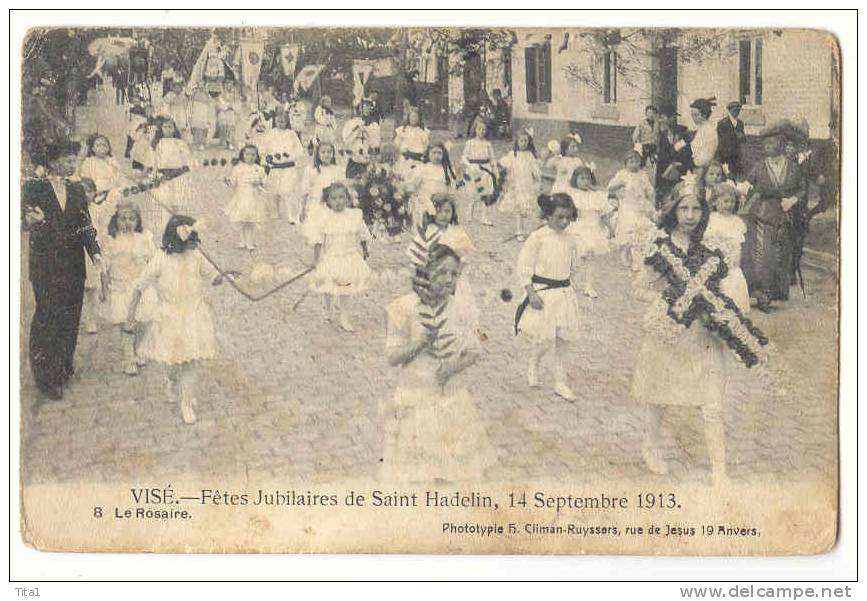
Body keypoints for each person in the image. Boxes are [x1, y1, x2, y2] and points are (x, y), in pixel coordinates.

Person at [631, 174, 768, 485]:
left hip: (703, 335)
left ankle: (720, 469)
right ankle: (650, 445)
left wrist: (723, 307)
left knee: (712, 402)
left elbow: (730, 283)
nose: (690, 216)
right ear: (673, 212)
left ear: (704, 212)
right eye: (684, 209)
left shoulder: (712, 247)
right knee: (659, 395)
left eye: (696, 209)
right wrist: (666, 300)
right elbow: (639, 289)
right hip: (672, 332)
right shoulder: (659, 248)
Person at [381, 243, 493, 482]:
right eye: (442, 272)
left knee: (451, 471)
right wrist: (420, 343)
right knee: (419, 475)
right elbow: (392, 357)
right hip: (416, 398)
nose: (449, 280)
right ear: (425, 272)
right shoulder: (403, 307)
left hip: (451, 399)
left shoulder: (461, 308)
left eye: (454, 274)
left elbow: (475, 348)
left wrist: (453, 368)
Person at [126, 215, 227, 424]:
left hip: (194, 314)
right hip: (169, 316)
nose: (193, 244)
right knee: (173, 360)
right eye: (190, 239)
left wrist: (225, 276)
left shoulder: (196, 256)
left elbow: (213, 276)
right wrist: (130, 317)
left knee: (191, 360)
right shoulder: (160, 259)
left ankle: (186, 403)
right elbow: (138, 288)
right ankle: (171, 382)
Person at [22, 141, 104, 400]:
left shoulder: (77, 189)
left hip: (73, 264)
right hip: (45, 265)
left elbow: (84, 223)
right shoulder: (34, 187)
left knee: (71, 314)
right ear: (54, 160)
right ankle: (45, 375)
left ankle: (63, 365)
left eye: (74, 160)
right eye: (68, 160)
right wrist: (27, 221)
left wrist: (95, 252)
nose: (72, 164)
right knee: (48, 315)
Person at [515, 193, 583, 401]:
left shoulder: (571, 239)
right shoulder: (538, 237)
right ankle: (534, 364)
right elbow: (523, 266)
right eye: (560, 217)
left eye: (568, 217)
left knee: (564, 339)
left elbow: (574, 266)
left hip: (564, 293)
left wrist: (572, 285)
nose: (565, 222)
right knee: (544, 340)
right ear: (548, 215)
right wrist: (531, 292)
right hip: (543, 294)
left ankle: (560, 382)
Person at [742, 122, 807, 312]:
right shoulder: (760, 165)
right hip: (762, 213)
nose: (767, 147)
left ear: (780, 144)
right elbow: (747, 183)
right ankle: (762, 292)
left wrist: (793, 200)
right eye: (766, 144)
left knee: (782, 253)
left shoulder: (793, 167)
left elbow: (802, 189)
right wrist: (738, 191)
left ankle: (775, 291)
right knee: (763, 253)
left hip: (785, 214)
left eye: (772, 144)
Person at [101, 199, 158, 375]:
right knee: (127, 325)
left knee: (144, 321)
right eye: (122, 219)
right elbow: (104, 268)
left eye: (131, 219)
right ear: (115, 220)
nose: (127, 223)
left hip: (141, 288)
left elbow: (153, 263)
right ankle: (128, 358)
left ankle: (140, 350)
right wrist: (104, 290)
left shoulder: (145, 238)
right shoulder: (111, 241)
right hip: (120, 288)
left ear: (138, 221)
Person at [308, 181, 372, 332]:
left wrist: (365, 249)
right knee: (328, 286)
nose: (338, 202)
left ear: (347, 199)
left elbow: (363, 234)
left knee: (345, 288)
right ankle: (327, 307)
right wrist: (316, 260)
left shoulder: (354, 216)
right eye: (334, 198)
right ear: (328, 201)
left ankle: (344, 316)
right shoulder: (325, 219)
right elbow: (318, 241)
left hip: (349, 257)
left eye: (342, 197)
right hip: (331, 258)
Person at [566, 166, 612, 298]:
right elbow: (568, 214)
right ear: (575, 180)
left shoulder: (597, 196)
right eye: (582, 178)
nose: (585, 181)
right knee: (577, 257)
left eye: (587, 178)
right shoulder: (573, 194)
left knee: (590, 257)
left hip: (593, 230)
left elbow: (604, 214)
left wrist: (610, 228)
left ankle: (588, 285)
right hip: (578, 229)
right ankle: (570, 281)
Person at [706, 184, 751, 313]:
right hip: (716, 266)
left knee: (735, 297)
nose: (729, 205)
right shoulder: (711, 219)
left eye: (732, 201)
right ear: (714, 202)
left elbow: (740, 246)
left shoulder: (737, 222)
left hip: (733, 268)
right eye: (725, 201)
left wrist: (739, 263)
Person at [608, 150, 655, 269]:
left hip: (640, 206)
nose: (634, 164)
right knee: (629, 228)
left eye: (637, 161)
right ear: (626, 163)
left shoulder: (643, 175)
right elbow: (610, 187)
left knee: (641, 229)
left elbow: (649, 190)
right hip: (628, 206)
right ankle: (625, 252)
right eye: (631, 161)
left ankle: (638, 255)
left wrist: (650, 201)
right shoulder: (622, 174)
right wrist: (619, 186)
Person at [259, 110, 307, 224]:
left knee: (286, 191)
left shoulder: (291, 134)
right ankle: (274, 212)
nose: (280, 123)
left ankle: (290, 215)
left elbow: (299, 150)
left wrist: (290, 156)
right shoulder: (270, 133)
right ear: (275, 120)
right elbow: (262, 148)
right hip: (274, 166)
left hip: (288, 166)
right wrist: (268, 157)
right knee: (273, 190)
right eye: (278, 120)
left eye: (283, 121)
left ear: (287, 121)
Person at [498, 127, 541, 241]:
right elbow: (506, 163)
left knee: (524, 208)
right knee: (517, 207)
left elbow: (534, 168)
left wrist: (536, 176)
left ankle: (522, 229)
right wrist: (503, 168)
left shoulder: (530, 155)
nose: (523, 143)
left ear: (529, 142)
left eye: (526, 141)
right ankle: (518, 231)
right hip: (516, 184)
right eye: (521, 141)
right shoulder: (513, 154)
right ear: (517, 141)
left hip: (526, 184)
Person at [223, 144, 269, 250]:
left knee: (250, 221)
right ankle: (242, 240)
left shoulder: (259, 169)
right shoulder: (238, 168)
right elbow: (233, 183)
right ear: (242, 155)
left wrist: (259, 182)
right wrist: (227, 181)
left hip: (253, 198)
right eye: (247, 154)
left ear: (257, 156)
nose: (250, 157)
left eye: (253, 155)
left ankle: (250, 242)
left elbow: (264, 182)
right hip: (241, 198)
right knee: (241, 220)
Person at [300, 141, 345, 246]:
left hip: (333, 206)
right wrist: (302, 209)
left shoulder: (337, 170)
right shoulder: (311, 170)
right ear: (318, 154)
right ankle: (317, 260)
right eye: (323, 152)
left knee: (333, 234)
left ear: (333, 154)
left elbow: (342, 189)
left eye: (329, 152)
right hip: (317, 206)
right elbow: (305, 191)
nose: (326, 155)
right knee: (318, 236)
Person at [151, 118, 194, 223]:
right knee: (165, 199)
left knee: (178, 199)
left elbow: (187, 157)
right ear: (161, 129)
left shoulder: (179, 142)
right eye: (165, 127)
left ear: (174, 129)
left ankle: (179, 220)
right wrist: (154, 175)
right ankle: (167, 223)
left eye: (170, 127)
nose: (167, 129)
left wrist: (187, 168)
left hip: (177, 174)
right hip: (163, 174)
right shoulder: (159, 143)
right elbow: (155, 160)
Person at [405, 142, 457, 228]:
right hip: (425, 201)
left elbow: (451, 188)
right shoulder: (422, 168)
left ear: (443, 155)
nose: (437, 156)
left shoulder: (447, 169)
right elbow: (412, 186)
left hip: (441, 201)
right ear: (428, 154)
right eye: (434, 153)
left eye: (439, 153)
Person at [461, 119, 499, 226]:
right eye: (479, 129)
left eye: (484, 130)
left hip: (486, 169)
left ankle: (484, 217)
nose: (482, 131)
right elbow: (464, 157)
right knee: (473, 192)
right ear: (475, 130)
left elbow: (492, 158)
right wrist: (469, 165)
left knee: (486, 193)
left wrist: (495, 171)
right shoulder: (470, 143)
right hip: (473, 169)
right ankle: (469, 213)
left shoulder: (488, 144)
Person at [655, 105, 694, 208]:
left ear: (671, 118)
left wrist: (676, 164)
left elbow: (687, 154)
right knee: (665, 201)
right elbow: (662, 155)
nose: (660, 120)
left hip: (679, 172)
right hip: (665, 172)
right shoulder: (662, 134)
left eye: (662, 117)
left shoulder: (683, 133)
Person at [343, 99, 382, 179]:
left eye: (368, 107)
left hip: (366, 153)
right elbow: (347, 138)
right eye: (364, 107)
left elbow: (375, 142)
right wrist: (358, 129)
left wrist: (367, 131)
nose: (366, 109)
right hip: (355, 152)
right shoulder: (353, 122)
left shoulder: (374, 125)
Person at [393, 105, 431, 180]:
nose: (414, 119)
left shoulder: (423, 131)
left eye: (416, 117)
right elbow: (396, 145)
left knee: (416, 177)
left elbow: (426, 146)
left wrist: (423, 155)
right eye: (412, 116)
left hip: (418, 159)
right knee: (403, 176)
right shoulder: (402, 130)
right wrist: (400, 151)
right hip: (405, 158)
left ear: (419, 118)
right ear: (408, 117)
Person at [715, 101, 746, 179]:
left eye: (738, 110)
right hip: (726, 155)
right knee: (726, 175)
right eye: (734, 110)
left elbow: (743, 139)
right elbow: (721, 140)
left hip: (737, 155)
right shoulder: (722, 123)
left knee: (737, 176)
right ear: (729, 110)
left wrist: (741, 137)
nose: (737, 112)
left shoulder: (740, 123)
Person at [688, 97, 719, 169]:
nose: (693, 118)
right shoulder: (702, 128)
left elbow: (705, 158)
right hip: (696, 164)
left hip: (702, 167)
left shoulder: (709, 130)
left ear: (704, 115)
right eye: (692, 115)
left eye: (695, 115)